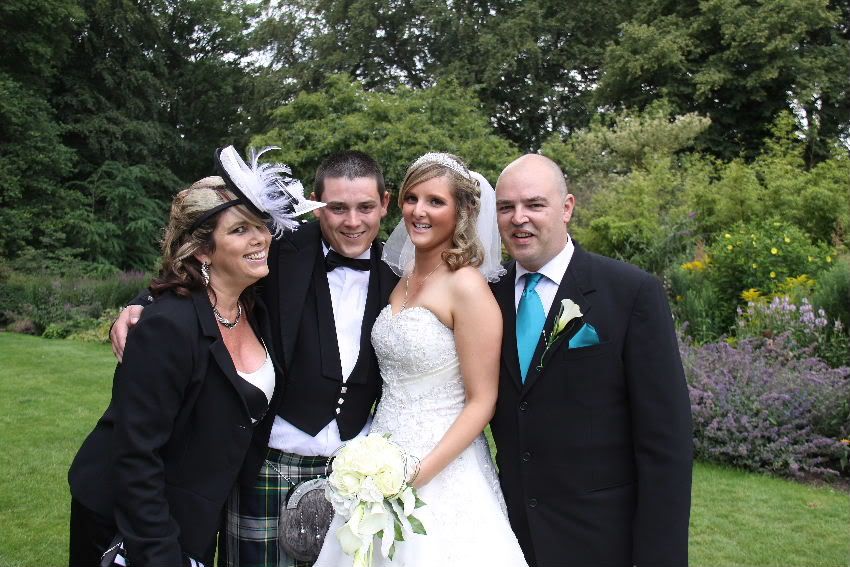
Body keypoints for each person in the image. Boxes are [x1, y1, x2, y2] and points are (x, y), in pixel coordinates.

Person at [110, 150, 397, 567]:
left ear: (385, 203)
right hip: (268, 460)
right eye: (337, 208)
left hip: (355, 469)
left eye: (365, 207)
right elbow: (204, 262)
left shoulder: (399, 270)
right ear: (316, 203)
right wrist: (143, 302)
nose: (352, 222)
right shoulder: (277, 246)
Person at [69, 146, 323, 566]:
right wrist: (160, 553)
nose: (261, 238)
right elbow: (136, 456)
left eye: (260, 226)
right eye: (240, 230)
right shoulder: (167, 326)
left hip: (196, 514)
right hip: (127, 520)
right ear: (204, 250)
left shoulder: (253, 307)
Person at [314, 152, 528, 566]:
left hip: (442, 466)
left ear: (461, 211)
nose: (418, 211)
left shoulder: (467, 287)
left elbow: (482, 400)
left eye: (435, 201)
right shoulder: (404, 278)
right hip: (381, 454)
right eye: (411, 198)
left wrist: (419, 472)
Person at [489, 154, 694, 567]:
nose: (518, 218)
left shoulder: (630, 292)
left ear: (567, 208)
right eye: (506, 207)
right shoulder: (486, 296)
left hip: (600, 538)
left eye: (534, 204)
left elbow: (666, 441)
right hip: (507, 536)